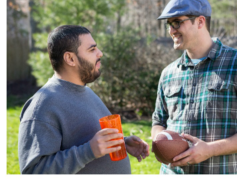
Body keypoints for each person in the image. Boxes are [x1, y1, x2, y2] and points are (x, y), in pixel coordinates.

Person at [151, 0, 237, 174]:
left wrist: (210, 150)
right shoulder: (168, 73)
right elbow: (158, 121)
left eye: (177, 22)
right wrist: (161, 143)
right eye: (169, 24)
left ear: (200, 22)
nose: (171, 30)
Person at [18, 25, 149, 174]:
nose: (100, 53)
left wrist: (122, 142)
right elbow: (34, 172)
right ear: (70, 58)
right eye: (92, 49)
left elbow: (85, 138)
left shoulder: (85, 91)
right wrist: (89, 151)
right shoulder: (43, 105)